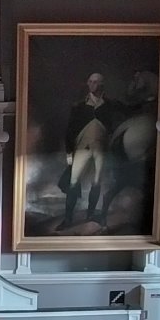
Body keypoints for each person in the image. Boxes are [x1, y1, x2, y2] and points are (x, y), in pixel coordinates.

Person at [61, 71, 122, 229]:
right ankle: (68, 219)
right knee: (73, 182)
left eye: (95, 82)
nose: (92, 84)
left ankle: (90, 215)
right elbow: (70, 130)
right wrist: (69, 153)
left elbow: (115, 123)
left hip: (101, 149)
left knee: (96, 182)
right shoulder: (79, 106)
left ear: (102, 84)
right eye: (90, 81)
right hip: (83, 148)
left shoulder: (109, 105)